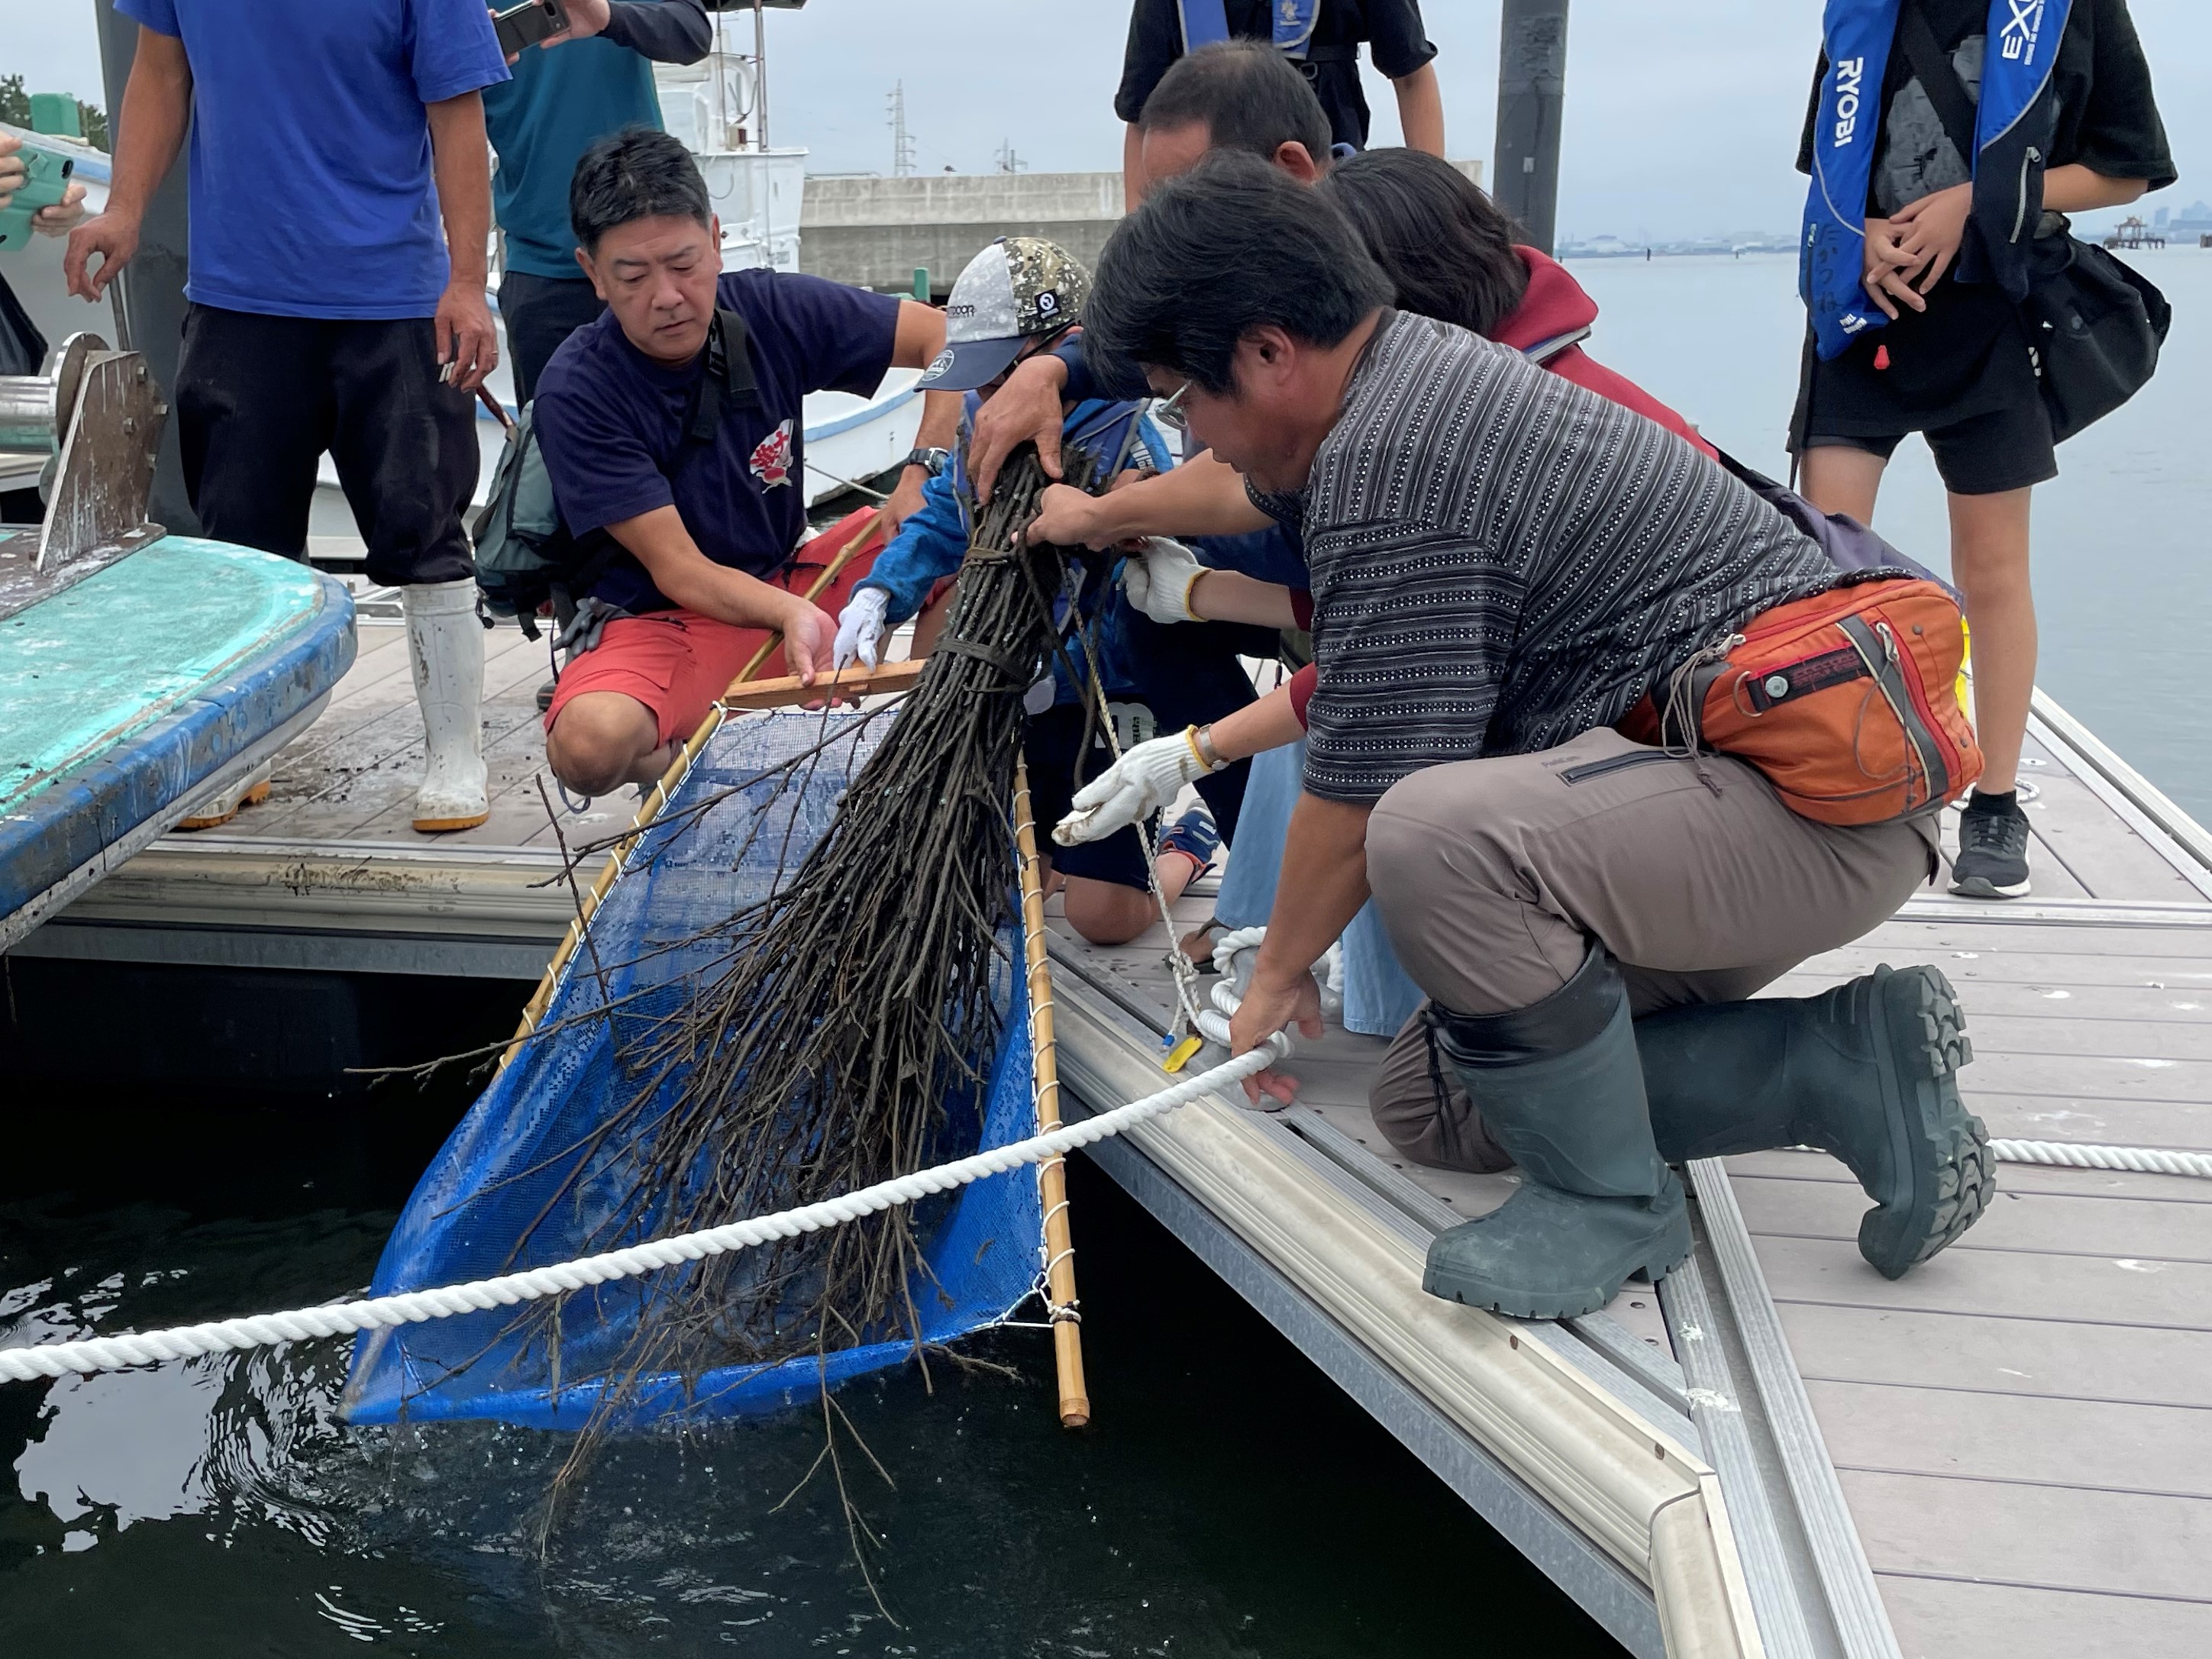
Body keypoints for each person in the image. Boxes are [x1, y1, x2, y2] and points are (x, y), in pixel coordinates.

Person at [1078, 153, 1991, 1320]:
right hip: (1756, 805)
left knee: (1435, 834)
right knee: (1443, 1101)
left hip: (1800, 804)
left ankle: (1610, 1206)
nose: (1192, 434)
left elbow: (1363, 792)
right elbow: (1261, 528)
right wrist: (1100, 515)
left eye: (1181, 399)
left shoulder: (1396, 455)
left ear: (1266, 355)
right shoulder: (1404, 376)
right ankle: (1835, 1065)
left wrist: (1270, 980)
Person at [66, 1, 509, 834]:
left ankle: (456, 752)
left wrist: (464, 282)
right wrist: (124, 208)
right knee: (240, 538)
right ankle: (247, 754)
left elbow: (457, 109)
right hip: (239, 298)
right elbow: (161, 72)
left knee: (424, 531)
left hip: (395, 303)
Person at [1793, 0, 2174, 899]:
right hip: (1863, 315)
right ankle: (1817, 778)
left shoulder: (2072, 8)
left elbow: (2127, 172)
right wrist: (1865, 241)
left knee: (1993, 570)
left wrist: (1979, 199)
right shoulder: (1858, 12)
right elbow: (1829, 169)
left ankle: (1994, 803)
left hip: (1993, 313)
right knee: (1816, 561)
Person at [531, 129, 959, 797]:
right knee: (588, 748)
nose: (668, 296)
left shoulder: (770, 308)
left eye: (684, 263)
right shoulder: (577, 387)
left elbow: (948, 336)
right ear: (592, 274)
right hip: (666, 616)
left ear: (717, 239)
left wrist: (923, 469)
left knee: (967, 537)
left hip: (796, 577)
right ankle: (684, 751)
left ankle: (924, 748)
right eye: (634, 276)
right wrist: (790, 619)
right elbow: (678, 569)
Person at [831, 237, 1221, 947]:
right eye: (974, 382)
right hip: (1011, 698)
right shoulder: (982, 425)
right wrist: (878, 593)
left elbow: (1160, 563)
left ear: (1059, 351)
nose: (983, 397)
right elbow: (945, 521)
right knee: (997, 893)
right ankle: (1053, 856)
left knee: (1102, 921)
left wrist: (1112, 528)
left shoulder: (1129, 429)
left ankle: (1184, 844)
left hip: (1098, 699)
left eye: (995, 377)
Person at [483, 0, 710, 405]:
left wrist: (609, 17)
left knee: (684, 451)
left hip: (653, 263)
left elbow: (692, 33)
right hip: (544, 274)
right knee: (558, 455)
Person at [1114, 1, 1442, 208]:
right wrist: (1136, 230)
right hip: (1208, 202)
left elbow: (1411, 74)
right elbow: (1141, 113)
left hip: (1334, 186)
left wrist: (1430, 197)